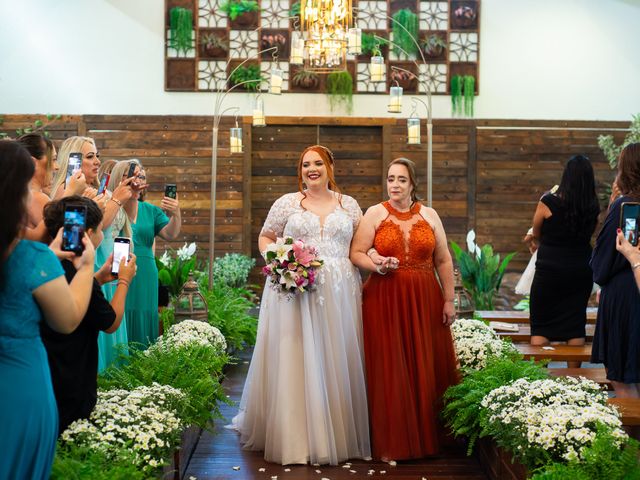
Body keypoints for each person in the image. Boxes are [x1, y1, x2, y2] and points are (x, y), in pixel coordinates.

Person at [233, 145, 370, 465]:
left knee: (334, 355)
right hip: (296, 288)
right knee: (296, 354)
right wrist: (280, 261)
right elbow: (266, 237)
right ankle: (295, 435)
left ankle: (334, 433)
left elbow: (361, 246)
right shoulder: (287, 203)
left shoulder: (349, 206)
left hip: (340, 290)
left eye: (318, 163)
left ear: (330, 167)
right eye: (306, 164)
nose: (312, 169)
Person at [350, 157, 458, 461]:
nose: (394, 185)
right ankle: (391, 441)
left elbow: (443, 259)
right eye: (390, 179)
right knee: (390, 365)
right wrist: (378, 265)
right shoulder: (374, 214)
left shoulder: (430, 215)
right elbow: (356, 253)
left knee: (424, 361)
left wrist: (448, 299)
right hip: (384, 297)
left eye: (401, 179)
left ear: (413, 184)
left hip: (425, 297)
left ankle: (428, 437)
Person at [0, 140, 94, 479]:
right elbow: (67, 319)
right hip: (21, 392)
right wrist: (85, 269)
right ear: (15, 195)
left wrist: (49, 258)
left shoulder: (34, 259)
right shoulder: (31, 258)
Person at [40, 196, 137, 433]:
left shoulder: (48, 267)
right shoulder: (78, 271)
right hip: (73, 379)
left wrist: (99, 277)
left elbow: (72, 295)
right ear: (90, 234)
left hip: (47, 375)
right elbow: (111, 322)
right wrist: (124, 280)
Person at [528, 155, 600, 368]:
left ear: (566, 176)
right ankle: (574, 380)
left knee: (541, 326)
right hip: (580, 270)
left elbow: (537, 231)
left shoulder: (547, 202)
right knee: (575, 324)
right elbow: (589, 234)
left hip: (550, 270)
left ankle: (537, 380)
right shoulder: (592, 206)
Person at [114, 160, 181, 346]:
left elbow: (171, 233)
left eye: (142, 176)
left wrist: (176, 213)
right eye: (133, 175)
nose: (138, 180)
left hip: (146, 273)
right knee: (121, 312)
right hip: (119, 270)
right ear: (121, 179)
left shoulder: (150, 211)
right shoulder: (113, 208)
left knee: (145, 316)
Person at [591, 143, 640, 398]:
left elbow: (602, 262)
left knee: (621, 377)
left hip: (624, 295)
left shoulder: (625, 205)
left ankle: (632, 437)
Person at [17, 133, 57, 227]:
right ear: (33, 163)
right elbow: (57, 237)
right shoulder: (37, 198)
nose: (57, 167)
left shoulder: (19, 195)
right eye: (53, 159)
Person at [49, 136, 100, 200]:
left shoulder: (96, 187)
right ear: (72, 161)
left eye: (97, 156)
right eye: (90, 156)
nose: (98, 162)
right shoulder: (66, 189)